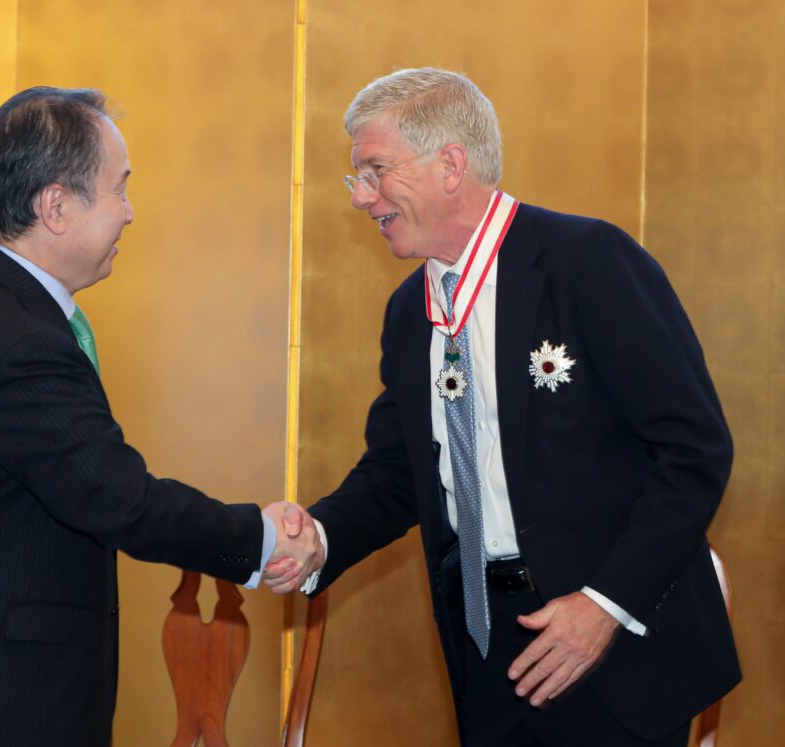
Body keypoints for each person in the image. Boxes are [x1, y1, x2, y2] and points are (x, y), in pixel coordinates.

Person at [267, 68, 739, 745]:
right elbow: (398, 472)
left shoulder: (588, 261)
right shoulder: (409, 312)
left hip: (613, 646)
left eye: (374, 171)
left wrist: (602, 606)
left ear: (450, 164)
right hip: (485, 646)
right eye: (356, 177)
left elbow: (694, 450)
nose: (361, 198)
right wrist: (319, 537)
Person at [0, 87, 321, 747]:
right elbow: (123, 500)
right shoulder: (17, 340)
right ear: (55, 207)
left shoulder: (2, 306)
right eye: (119, 189)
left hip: (1, 679)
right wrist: (261, 542)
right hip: (1, 699)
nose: (129, 213)